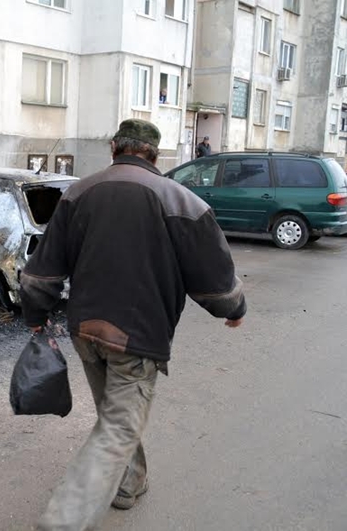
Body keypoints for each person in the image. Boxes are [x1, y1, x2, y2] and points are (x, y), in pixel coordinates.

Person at [19, 118, 246, 531]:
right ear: (155, 155)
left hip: (86, 331)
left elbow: (40, 275)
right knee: (120, 422)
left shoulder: (77, 193)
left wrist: (35, 316)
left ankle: (129, 483)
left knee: (114, 411)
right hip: (137, 336)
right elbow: (213, 275)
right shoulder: (181, 200)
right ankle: (62, 521)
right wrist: (232, 308)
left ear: (113, 147)